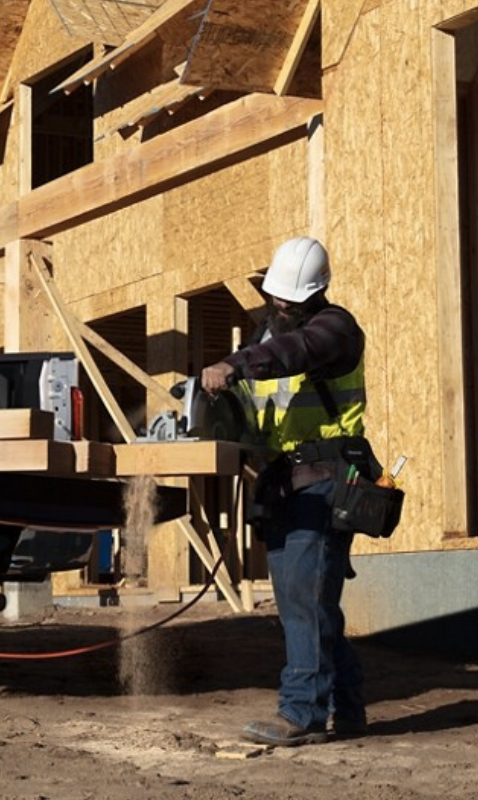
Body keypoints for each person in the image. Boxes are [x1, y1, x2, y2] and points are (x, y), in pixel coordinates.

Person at [201, 236, 369, 747]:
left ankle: (302, 713)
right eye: (276, 297)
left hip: (324, 481)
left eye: (290, 300)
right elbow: (258, 367)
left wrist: (236, 366)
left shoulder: (335, 329)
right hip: (283, 484)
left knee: (303, 600)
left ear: (316, 293)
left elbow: (295, 352)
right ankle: (348, 706)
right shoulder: (265, 335)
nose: (280, 306)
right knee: (311, 603)